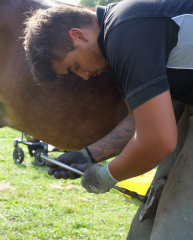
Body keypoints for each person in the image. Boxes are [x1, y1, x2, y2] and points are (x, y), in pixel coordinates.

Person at [24, 0, 193, 194]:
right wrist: (86, 155)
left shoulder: (125, 34)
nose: (84, 75)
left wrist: (105, 176)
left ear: (77, 36)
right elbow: (137, 122)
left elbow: (159, 140)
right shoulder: (116, 37)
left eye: (76, 67)